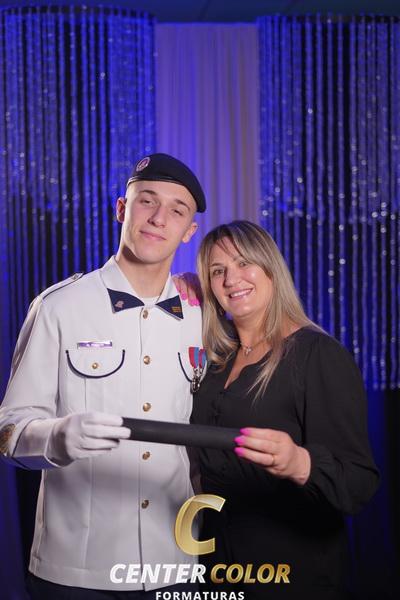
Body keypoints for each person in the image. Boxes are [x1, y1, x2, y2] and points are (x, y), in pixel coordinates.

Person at [0, 153, 206, 599]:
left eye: (176, 210)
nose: (158, 218)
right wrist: (55, 437)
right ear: (121, 209)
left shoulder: (202, 314)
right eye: (147, 201)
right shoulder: (58, 307)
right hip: (77, 571)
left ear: (189, 231)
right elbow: (7, 432)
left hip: (175, 562)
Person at [191, 220, 379, 600]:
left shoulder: (317, 355)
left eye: (244, 263)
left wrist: (299, 462)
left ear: (271, 269)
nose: (231, 279)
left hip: (293, 575)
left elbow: (358, 483)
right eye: (217, 271)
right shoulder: (216, 361)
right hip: (217, 568)